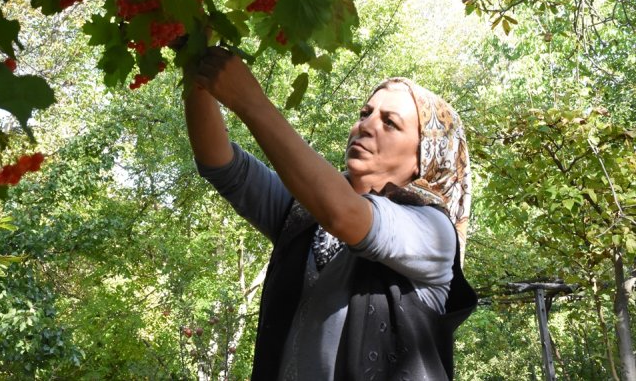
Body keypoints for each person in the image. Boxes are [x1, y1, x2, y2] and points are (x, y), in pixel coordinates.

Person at [184, 46, 477, 380]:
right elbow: (220, 164)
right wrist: (196, 65)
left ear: (424, 158)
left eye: (390, 123)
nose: (366, 126)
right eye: (365, 113)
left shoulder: (433, 232)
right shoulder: (304, 215)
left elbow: (345, 216)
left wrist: (250, 101)